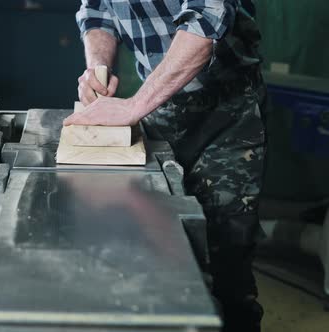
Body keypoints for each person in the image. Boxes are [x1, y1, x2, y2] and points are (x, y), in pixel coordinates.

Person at [64, 1, 267, 331]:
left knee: (226, 263)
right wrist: (97, 69)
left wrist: (134, 106)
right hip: (160, 104)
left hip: (227, 111)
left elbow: (206, 20)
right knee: (155, 250)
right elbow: (98, 11)